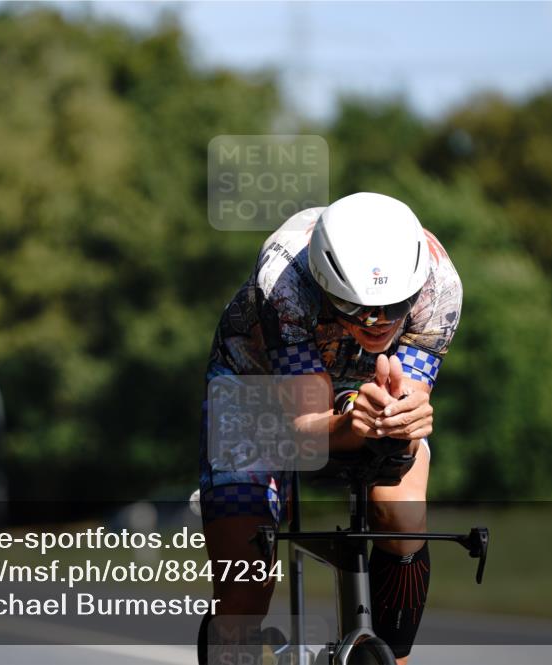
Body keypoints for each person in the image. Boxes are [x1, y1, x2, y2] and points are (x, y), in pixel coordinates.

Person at [197, 192, 462, 664]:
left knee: (402, 516)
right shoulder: (284, 280)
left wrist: (401, 416)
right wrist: (349, 424)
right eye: (355, 307)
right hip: (254, 383)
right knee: (244, 583)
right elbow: (305, 426)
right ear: (323, 282)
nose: (378, 323)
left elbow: (409, 397)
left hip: (360, 381)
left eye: (394, 306)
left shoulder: (440, 285)